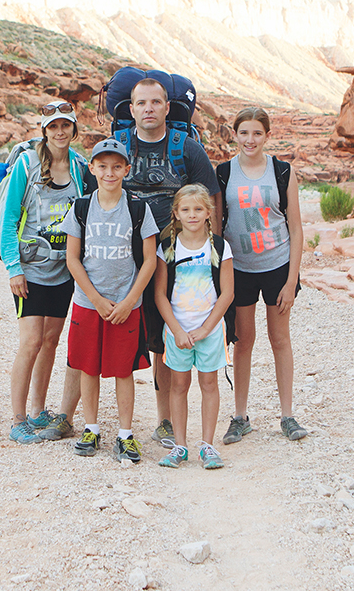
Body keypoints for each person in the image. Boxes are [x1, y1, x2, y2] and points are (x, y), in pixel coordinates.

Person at [118, 77, 220, 448]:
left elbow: (211, 199)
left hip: (175, 265)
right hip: (122, 263)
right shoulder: (118, 149)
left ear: (166, 107)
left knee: (162, 340)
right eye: (141, 103)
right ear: (131, 109)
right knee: (112, 334)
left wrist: (215, 253)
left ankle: (164, 421)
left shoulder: (186, 149)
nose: (148, 109)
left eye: (155, 102)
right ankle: (87, 418)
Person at [63, 138, 159, 463]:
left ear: (127, 169)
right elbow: (72, 259)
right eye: (102, 166)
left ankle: (125, 434)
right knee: (88, 367)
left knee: (123, 369)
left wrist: (131, 299)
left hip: (125, 304)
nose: (109, 172)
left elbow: (149, 260)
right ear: (92, 168)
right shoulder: (80, 207)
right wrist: (95, 298)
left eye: (117, 166)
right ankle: (91, 428)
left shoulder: (137, 208)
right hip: (89, 303)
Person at [216, 106, 309, 443]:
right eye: (244, 133)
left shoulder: (282, 171)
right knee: (242, 342)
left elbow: (296, 229)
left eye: (257, 133)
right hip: (238, 268)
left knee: (279, 339)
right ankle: (240, 416)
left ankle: (288, 416)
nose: (250, 139)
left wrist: (290, 280)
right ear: (235, 135)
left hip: (277, 264)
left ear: (267, 135)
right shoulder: (224, 173)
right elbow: (216, 224)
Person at [2, 102, 92, 444]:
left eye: (65, 126)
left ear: (73, 129)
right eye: (53, 126)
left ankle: (39, 411)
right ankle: (17, 419)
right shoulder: (27, 165)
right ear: (44, 130)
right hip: (30, 268)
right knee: (30, 342)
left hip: (64, 269)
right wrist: (13, 268)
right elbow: (10, 219)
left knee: (51, 340)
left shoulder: (80, 167)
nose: (59, 132)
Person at [153, 185, 234, 469]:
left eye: (198, 209)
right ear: (175, 213)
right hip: (178, 329)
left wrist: (206, 328)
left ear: (208, 213)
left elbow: (227, 293)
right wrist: (176, 330)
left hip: (209, 330)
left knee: (209, 383)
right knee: (178, 385)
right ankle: (180, 445)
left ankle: (208, 445)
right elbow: (160, 294)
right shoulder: (167, 249)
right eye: (185, 210)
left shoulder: (220, 248)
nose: (192, 215)